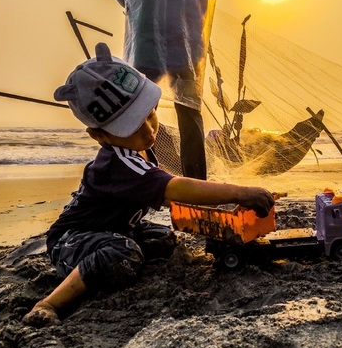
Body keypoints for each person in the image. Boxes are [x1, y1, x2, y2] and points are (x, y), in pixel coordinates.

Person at [22, 43, 274, 328]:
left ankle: (116, 257)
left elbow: (175, 191)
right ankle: (49, 303)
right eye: (131, 127)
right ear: (98, 135)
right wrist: (239, 192)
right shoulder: (117, 165)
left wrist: (224, 206)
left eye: (150, 114)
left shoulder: (143, 147)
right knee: (122, 253)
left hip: (117, 228)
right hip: (73, 239)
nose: (149, 130)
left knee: (162, 239)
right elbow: (175, 190)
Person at [96, 0, 230, 181]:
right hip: (190, 33)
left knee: (137, 108)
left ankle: (140, 180)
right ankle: (196, 186)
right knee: (190, 112)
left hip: (146, 27)